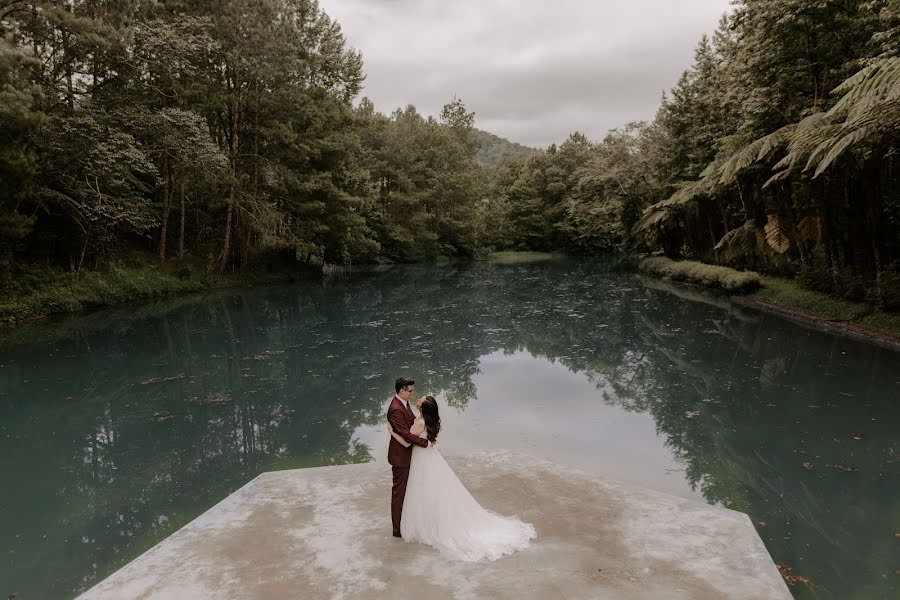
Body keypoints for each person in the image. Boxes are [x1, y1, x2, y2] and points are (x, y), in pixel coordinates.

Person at [387, 394, 536, 562]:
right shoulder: (429, 420)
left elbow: (407, 443)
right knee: (434, 491)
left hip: (421, 460)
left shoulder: (420, 423)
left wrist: (392, 432)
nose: (417, 400)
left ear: (422, 408)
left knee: (423, 490)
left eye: (419, 401)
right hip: (430, 458)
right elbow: (426, 438)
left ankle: (428, 525)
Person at [386, 377, 431, 538]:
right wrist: (424, 442)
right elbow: (405, 434)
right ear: (402, 390)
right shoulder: (395, 409)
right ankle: (397, 529)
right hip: (401, 457)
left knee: (408, 492)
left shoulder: (404, 404)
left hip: (409, 454)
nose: (412, 394)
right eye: (410, 391)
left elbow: (412, 423)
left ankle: (406, 521)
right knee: (399, 493)